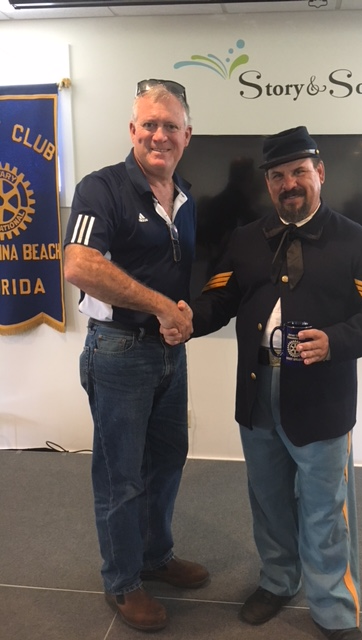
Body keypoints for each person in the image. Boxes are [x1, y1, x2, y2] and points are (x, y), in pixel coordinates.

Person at [163, 126, 362, 639]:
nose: (289, 183)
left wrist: (334, 341)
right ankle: (277, 581)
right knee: (269, 501)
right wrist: (189, 319)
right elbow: (219, 299)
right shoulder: (246, 239)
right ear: (268, 184)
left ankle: (334, 611)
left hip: (320, 401)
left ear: (320, 173)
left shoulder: (357, 240)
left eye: (298, 172)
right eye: (277, 176)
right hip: (257, 396)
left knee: (324, 512)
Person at [63, 79, 209, 633]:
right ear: (132, 130)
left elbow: (176, 272)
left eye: (171, 126)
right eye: (149, 124)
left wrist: (184, 315)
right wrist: (161, 308)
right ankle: (122, 583)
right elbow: (79, 265)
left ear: (188, 135)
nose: (159, 135)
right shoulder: (101, 188)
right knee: (120, 477)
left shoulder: (186, 196)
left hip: (169, 356)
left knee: (167, 460)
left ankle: (154, 556)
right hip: (118, 353)